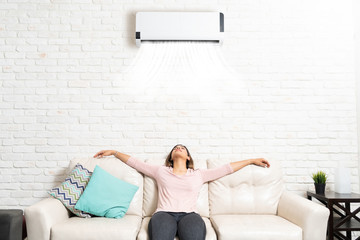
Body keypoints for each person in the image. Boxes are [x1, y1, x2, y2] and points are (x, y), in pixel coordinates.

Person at [94, 144, 270, 240]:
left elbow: (227, 169)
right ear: (171, 157)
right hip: (163, 214)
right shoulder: (160, 171)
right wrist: (115, 152)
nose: (179, 148)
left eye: (183, 148)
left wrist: (251, 160)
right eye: (176, 148)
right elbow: (135, 163)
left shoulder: (199, 174)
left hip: (190, 215)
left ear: (188, 157)